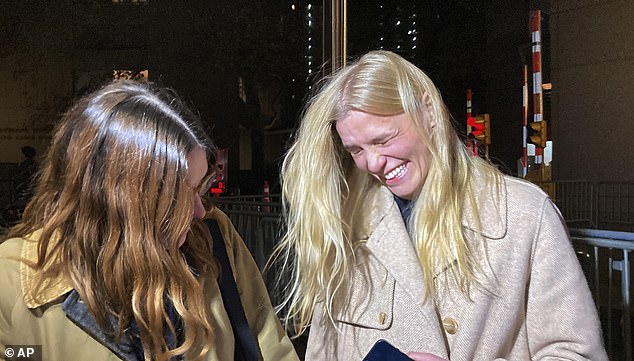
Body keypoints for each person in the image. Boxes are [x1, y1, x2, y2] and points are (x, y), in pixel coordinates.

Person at [272, 50, 607, 360]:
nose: (372, 163)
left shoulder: (524, 214)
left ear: (428, 111)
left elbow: (577, 353)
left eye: (382, 139)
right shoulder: (342, 227)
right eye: (356, 150)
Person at [0, 80, 299, 361]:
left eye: (200, 189)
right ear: (119, 201)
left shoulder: (212, 234)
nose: (199, 210)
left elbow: (267, 343)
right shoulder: (11, 282)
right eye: (178, 195)